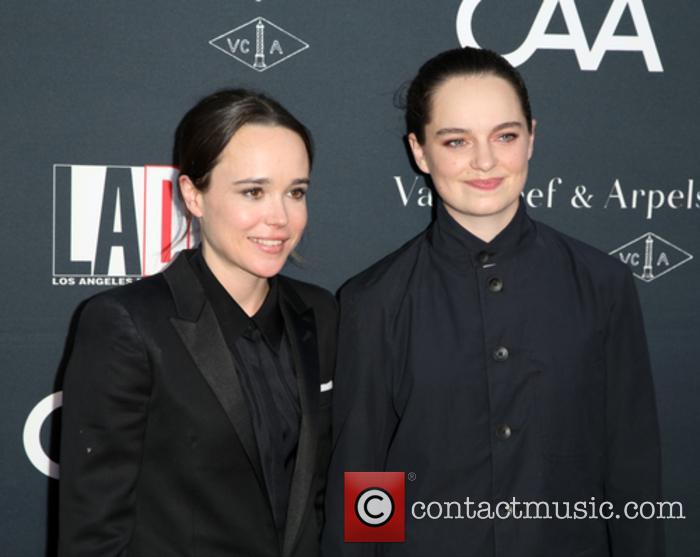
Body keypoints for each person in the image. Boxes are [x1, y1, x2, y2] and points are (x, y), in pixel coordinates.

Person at [322, 47, 663, 557]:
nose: (485, 161)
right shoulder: (374, 301)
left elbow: (632, 473)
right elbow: (365, 484)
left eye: (505, 136)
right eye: (456, 141)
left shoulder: (602, 284)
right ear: (419, 151)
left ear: (531, 138)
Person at [58, 89, 337, 557]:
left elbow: (339, 481)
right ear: (194, 195)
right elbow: (94, 533)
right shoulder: (126, 324)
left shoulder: (323, 314)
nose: (280, 217)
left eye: (296, 192)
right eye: (253, 191)